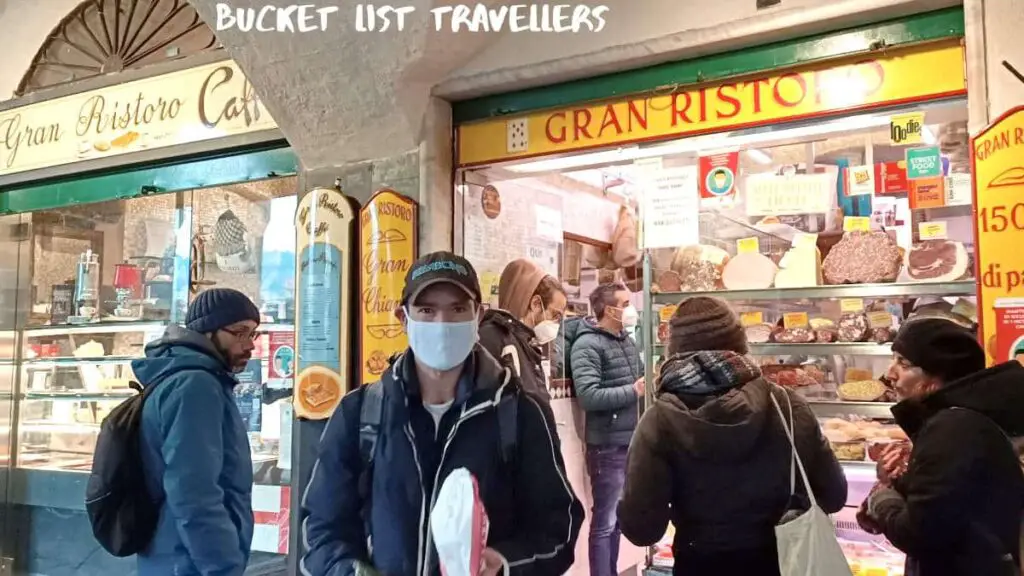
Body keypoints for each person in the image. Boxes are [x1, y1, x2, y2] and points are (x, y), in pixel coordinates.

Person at [301, 251, 584, 576]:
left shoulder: (520, 414)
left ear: (478, 315)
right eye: (427, 310)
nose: (442, 324)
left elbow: (558, 528)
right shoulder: (360, 415)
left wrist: (505, 563)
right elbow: (322, 527)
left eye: (458, 309)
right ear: (403, 318)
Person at [617, 296, 847, 576]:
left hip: (699, 563)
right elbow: (834, 495)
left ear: (674, 350)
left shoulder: (659, 420)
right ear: (739, 342)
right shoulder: (787, 405)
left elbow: (642, 530)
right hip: (781, 562)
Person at [858, 317, 1024, 576]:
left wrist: (882, 496)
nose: (889, 374)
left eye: (904, 364)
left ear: (935, 378)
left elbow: (919, 534)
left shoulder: (952, 428)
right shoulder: (965, 418)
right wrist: (898, 482)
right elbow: (946, 501)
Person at [133, 288, 260, 576]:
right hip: (189, 562)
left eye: (253, 334)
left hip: (175, 557)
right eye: (239, 332)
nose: (249, 344)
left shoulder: (189, 378)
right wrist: (222, 566)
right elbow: (194, 493)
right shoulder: (196, 387)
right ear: (208, 331)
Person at [570, 282, 643, 576]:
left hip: (630, 440)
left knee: (618, 522)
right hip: (607, 446)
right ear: (608, 309)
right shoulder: (586, 345)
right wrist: (633, 391)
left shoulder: (625, 339)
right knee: (604, 523)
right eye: (625, 304)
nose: (630, 309)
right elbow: (589, 396)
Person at [478, 258, 567, 400]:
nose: (556, 323)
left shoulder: (527, 344)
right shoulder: (492, 338)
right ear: (536, 304)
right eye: (555, 315)